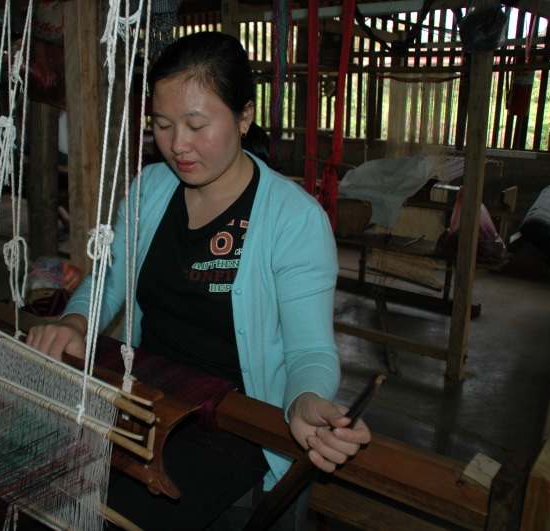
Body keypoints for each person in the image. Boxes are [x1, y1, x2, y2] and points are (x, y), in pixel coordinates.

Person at [26, 31, 370, 529]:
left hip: (230, 425)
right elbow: (112, 277)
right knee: (48, 497)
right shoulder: (150, 189)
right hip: (147, 401)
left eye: (195, 125)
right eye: (162, 125)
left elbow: (310, 351)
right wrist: (77, 320)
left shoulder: (292, 219)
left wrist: (306, 400)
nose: (177, 146)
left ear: (245, 116)